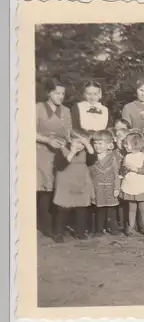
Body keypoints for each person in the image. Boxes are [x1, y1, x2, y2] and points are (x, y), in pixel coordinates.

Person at [36, 78, 72, 237]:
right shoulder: (38, 108)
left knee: (59, 188)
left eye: (63, 93)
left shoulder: (66, 111)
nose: (60, 96)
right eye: (57, 93)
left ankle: (57, 227)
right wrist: (48, 140)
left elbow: (69, 134)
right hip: (41, 152)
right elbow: (28, 130)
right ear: (49, 93)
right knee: (44, 189)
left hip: (60, 153)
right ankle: (44, 227)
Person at [52, 129, 95, 242]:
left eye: (83, 144)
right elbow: (60, 166)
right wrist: (72, 152)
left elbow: (92, 159)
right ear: (70, 140)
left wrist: (87, 144)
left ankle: (80, 232)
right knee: (63, 209)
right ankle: (58, 233)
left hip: (81, 181)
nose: (80, 146)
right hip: (66, 182)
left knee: (81, 208)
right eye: (78, 142)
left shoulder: (86, 151)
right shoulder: (61, 150)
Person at [120, 132, 144, 236]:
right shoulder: (126, 157)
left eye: (127, 143)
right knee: (131, 207)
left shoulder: (143, 156)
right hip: (130, 184)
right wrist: (124, 170)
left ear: (134, 145)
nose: (124, 145)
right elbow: (123, 170)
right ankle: (130, 227)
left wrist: (133, 168)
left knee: (142, 207)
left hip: (140, 184)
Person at [88, 129, 121, 236]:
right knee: (99, 210)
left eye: (100, 143)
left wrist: (117, 188)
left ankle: (113, 228)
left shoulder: (113, 158)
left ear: (108, 145)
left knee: (111, 210)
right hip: (97, 188)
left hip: (110, 188)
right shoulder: (91, 158)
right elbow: (89, 175)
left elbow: (116, 174)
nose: (97, 146)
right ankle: (98, 229)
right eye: (95, 143)